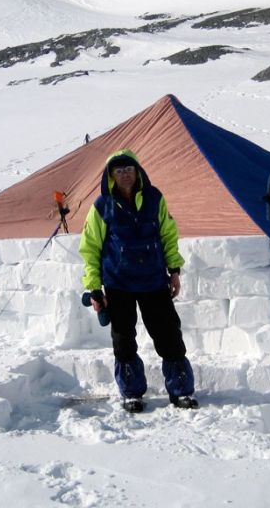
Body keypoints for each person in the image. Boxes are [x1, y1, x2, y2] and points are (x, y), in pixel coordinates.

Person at [79, 149, 197, 413]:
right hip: (118, 283)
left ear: (138, 171)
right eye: (118, 170)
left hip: (154, 281)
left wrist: (174, 270)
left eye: (128, 169)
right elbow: (90, 249)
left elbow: (168, 234)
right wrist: (95, 288)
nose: (124, 174)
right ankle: (131, 393)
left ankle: (181, 391)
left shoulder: (155, 198)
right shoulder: (101, 206)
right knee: (123, 341)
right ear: (110, 175)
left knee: (169, 335)